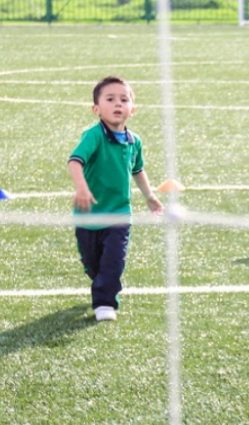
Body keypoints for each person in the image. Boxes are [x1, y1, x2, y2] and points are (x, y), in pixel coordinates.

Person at [68, 76, 163, 322]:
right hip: (89, 215)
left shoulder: (134, 141)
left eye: (124, 99)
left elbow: (137, 170)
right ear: (96, 109)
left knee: (114, 261)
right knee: (93, 264)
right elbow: (75, 162)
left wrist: (150, 196)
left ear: (133, 109)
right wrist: (81, 188)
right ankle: (100, 281)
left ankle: (104, 302)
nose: (118, 104)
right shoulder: (94, 136)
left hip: (120, 214)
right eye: (110, 99)